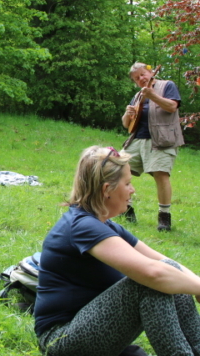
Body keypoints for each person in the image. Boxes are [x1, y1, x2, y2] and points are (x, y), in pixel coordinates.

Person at [34, 145, 200, 356]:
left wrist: (195, 284)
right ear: (106, 190)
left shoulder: (105, 225)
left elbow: (165, 263)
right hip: (61, 340)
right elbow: (154, 273)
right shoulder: (82, 226)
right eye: (128, 183)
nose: (133, 190)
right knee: (149, 283)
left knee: (170, 272)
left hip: (94, 331)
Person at [122, 62, 184, 231]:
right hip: (137, 140)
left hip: (162, 139)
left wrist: (152, 95)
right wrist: (127, 114)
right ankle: (126, 209)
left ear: (150, 72)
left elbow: (172, 106)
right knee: (117, 168)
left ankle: (164, 217)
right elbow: (127, 125)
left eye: (143, 74)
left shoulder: (167, 85)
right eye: (137, 78)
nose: (141, 79)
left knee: (160, 174)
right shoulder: (137, 95)